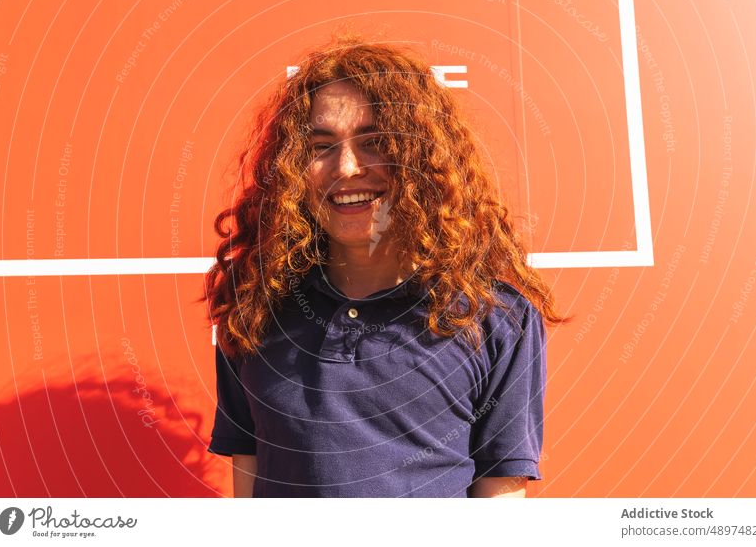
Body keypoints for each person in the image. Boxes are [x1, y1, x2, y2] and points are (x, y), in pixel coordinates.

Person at [200, 34, 573, 498]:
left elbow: (500, 492)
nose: (347, 167)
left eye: (374, 141)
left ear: (422, 160)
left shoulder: (495, 317)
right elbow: (249, 466)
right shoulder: (255, 302)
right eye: (321, 146)